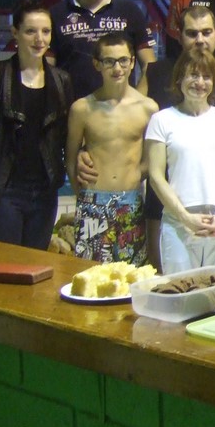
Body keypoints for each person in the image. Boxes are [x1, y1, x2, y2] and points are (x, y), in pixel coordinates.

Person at [136, 6, 215, 270]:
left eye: (206, 77)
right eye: (193, 76)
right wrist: (185, 217)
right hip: (179, 224)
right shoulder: (161, 120)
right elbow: (156, 176)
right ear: (179, 79)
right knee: (180, 291)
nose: (199, 82)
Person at [0, 0, 73, 249]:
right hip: (5, 191)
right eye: (30, 31)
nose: (39, 39)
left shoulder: (62, 81)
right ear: (15, 33)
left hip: (44, 191)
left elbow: (66, 135)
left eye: (45, 31)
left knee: (36, 263)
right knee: (8, 262)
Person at [65, 33, 158, 264]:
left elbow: (151, 161)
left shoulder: (148, 108)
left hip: (131, 201)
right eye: (109, 61)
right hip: (92, 202)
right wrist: (83, 197)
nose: (117, 68)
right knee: (89, 273)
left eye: (123, 60)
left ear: (132, 62)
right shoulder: (82, 108)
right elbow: (70, 158)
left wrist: (133, 178)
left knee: (133, 275)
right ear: (97, 64)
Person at [48, 0, 156, 98]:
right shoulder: (56, 14)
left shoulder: (130, 11)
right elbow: (47, 70)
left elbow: (149, 65)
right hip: (71, 108)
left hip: (120, 108)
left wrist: (138, 101)